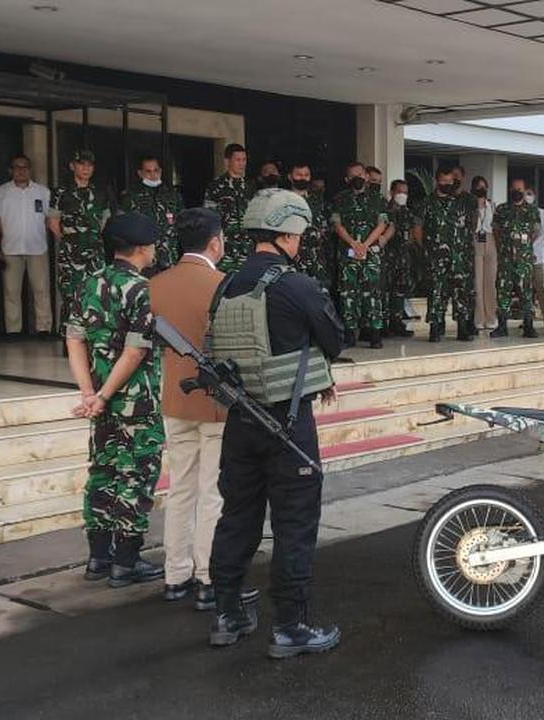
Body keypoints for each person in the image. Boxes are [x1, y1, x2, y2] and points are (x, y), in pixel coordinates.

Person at [208, 189, 343, 659]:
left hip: (240, 421)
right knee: (294, 524)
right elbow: (335, 337)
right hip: (288, 424)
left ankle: (227, 614)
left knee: (237, 517)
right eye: (299, 235)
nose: (300, 242)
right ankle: (290, 626)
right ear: (286, 234)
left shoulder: (225, 286)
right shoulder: (296, 285)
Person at [65, 212, 165, 588]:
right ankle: (126, 561)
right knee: (135, 476)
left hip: (102, 404)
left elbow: (74, 338)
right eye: (152, 245)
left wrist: (90, 393)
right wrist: (105, 395)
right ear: (141, 248)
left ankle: (98, 557)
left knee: (103, 472)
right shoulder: (143, 290)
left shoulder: (90, 282)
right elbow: (135, 351)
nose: (154, 250)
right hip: (136, 403)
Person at [148, 208, 232, 609]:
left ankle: (175, 574)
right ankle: (208, 574)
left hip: (175, 399)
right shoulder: (223, 284)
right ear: (215, 242)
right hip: (214, 402)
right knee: (212, 492)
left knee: (180, 489)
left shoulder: (156, 284)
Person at [0, 155, 52, 338]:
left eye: (25, 167)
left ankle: (43, 328)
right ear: (10, 170)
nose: (21, 170)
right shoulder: (1, 192)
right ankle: (13, 330)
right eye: (17, 167)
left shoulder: (43, 192)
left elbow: (50, 220)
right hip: (10, 249)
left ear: (30, 169)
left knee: (41, 290)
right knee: (11, 292)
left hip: (37, 248)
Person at [49, 149, 111, 333]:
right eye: (81, 164)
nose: (86, 168)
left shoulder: (100, 192)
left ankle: (91, 336)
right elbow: (53, 221)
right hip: (70, 253)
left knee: (95, 293)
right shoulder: (61, 192)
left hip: (95, 252)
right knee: (70, 294)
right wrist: (69, 240)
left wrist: (90, 237)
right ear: (72, 166)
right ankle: (69, 338)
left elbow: (104, 220)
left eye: (89, 165)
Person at [330, 161, 388, 348]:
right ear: (347, 179)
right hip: (348, 253)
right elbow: (337, 224)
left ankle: (375, 333)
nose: (358, 178)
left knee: (373, 293)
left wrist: (365, 244)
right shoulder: (340, 199)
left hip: (370, 253)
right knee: (348, 293)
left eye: (361, 174)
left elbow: (382, 224)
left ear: (366, 176)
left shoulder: (378, 199)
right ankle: (349, 333)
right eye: (353, 176)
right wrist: (353, 243)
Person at [414, 167, 475, 342]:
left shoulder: (460, 203)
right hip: (436, 257)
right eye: (444, 181)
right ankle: (435, 328)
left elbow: (469, 225)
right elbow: (417, 230)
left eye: (450, 181)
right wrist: (428, 249)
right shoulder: (426, 203)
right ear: (437, 181)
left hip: (458, 257)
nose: (448, 184)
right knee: (436, 291)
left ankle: (462, 328)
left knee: (460, 291)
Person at [491, 178, 539, 338]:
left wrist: (523, 248)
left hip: (524, 261)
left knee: (526, 292)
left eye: (519, 189)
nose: (516, 192)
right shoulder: (502, 209)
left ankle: (528, 326)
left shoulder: (532, 211)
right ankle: (502, 325)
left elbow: (535, 232)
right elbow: (496, 230)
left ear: (524, 191)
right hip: (505, 260)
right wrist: (503, 246)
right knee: (502, 291)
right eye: (514, 189)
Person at [120, 155, 182, 275]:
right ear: (140, 173)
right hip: (141, 260)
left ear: (161, 171)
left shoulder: (173, 195)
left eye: (156, 170)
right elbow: (123, 229)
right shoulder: (130, 196)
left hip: (168, 258)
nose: (153, 175)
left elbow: (181, 222)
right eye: (148, 171)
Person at [204, 143, 254, 273]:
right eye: (238, 160)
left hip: (248, 249)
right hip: (225, 250)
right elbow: (209, 218)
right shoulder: (216, 187)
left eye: (244, 160)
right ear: (227, 161)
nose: (242, 164)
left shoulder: (250, 187)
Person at [379, 179, 416, 338]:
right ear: (392, 192)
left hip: (403, 257)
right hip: (387, 256)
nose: (403, 195)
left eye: (405, 192)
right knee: (385, 291)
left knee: (400, 291)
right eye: (400, 192)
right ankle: (383, 324)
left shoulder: (407, 212)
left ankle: (397, 322)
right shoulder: (384, 211)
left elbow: (411, 233)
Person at [288, 162, 330, 288]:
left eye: (306, 175)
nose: (302, 178)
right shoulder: (283, 200)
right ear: (290, 177)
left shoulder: (317, 200)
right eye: (299, 174)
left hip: (316, 258)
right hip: (293, 257)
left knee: (318, 293)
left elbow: (326, 226)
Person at [469, 175, 498, 333]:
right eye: (479, 187)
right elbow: (471, 225)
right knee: (477, 282)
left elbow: (496, 226)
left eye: (484, 187)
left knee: (490, 281)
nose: (482, 190)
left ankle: (491, 317)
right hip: (476, 240)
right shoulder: (470, 205)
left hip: (490, 240)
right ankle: (479, 318)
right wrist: (477, 207)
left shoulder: (492, 205)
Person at [525, 185, 544, 330]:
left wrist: (531, 246)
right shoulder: (519, 213)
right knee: (525, 289)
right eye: (525, 193)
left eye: (529, 193)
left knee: (540, 286)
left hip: (538, 256)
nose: (527, 196)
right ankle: (527, 318)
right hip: (522, 258)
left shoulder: (542, 213)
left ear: (534, 195)